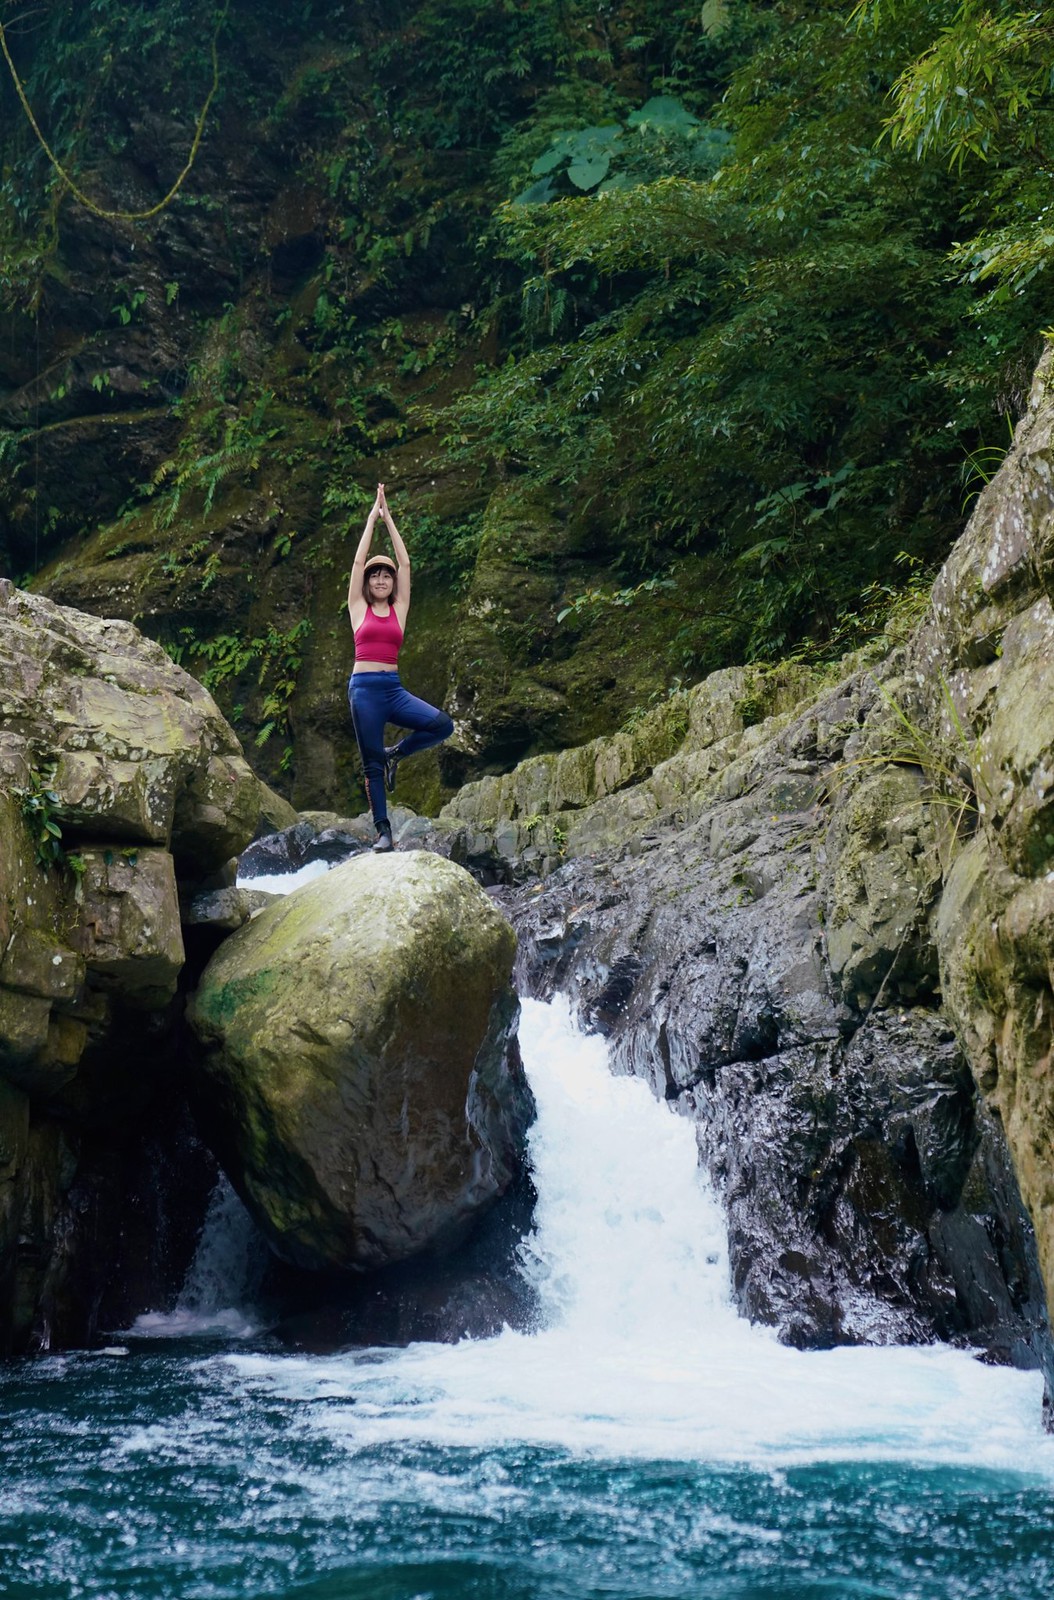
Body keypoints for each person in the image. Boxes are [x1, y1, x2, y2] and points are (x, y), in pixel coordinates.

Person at [347, 482, 453, 852]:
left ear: (392, 583)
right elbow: (359, 561)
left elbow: (406, 563)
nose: (380, 578)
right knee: (370, 763)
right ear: (368, 581)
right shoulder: (357, 608)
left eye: (386, 575)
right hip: (364, 691)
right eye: (375, 575)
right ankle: (383, 832)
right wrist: (370, 521)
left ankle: (399, 754)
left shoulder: (399, 609)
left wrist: (389, 518)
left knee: (443, 725)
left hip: (393, 689)